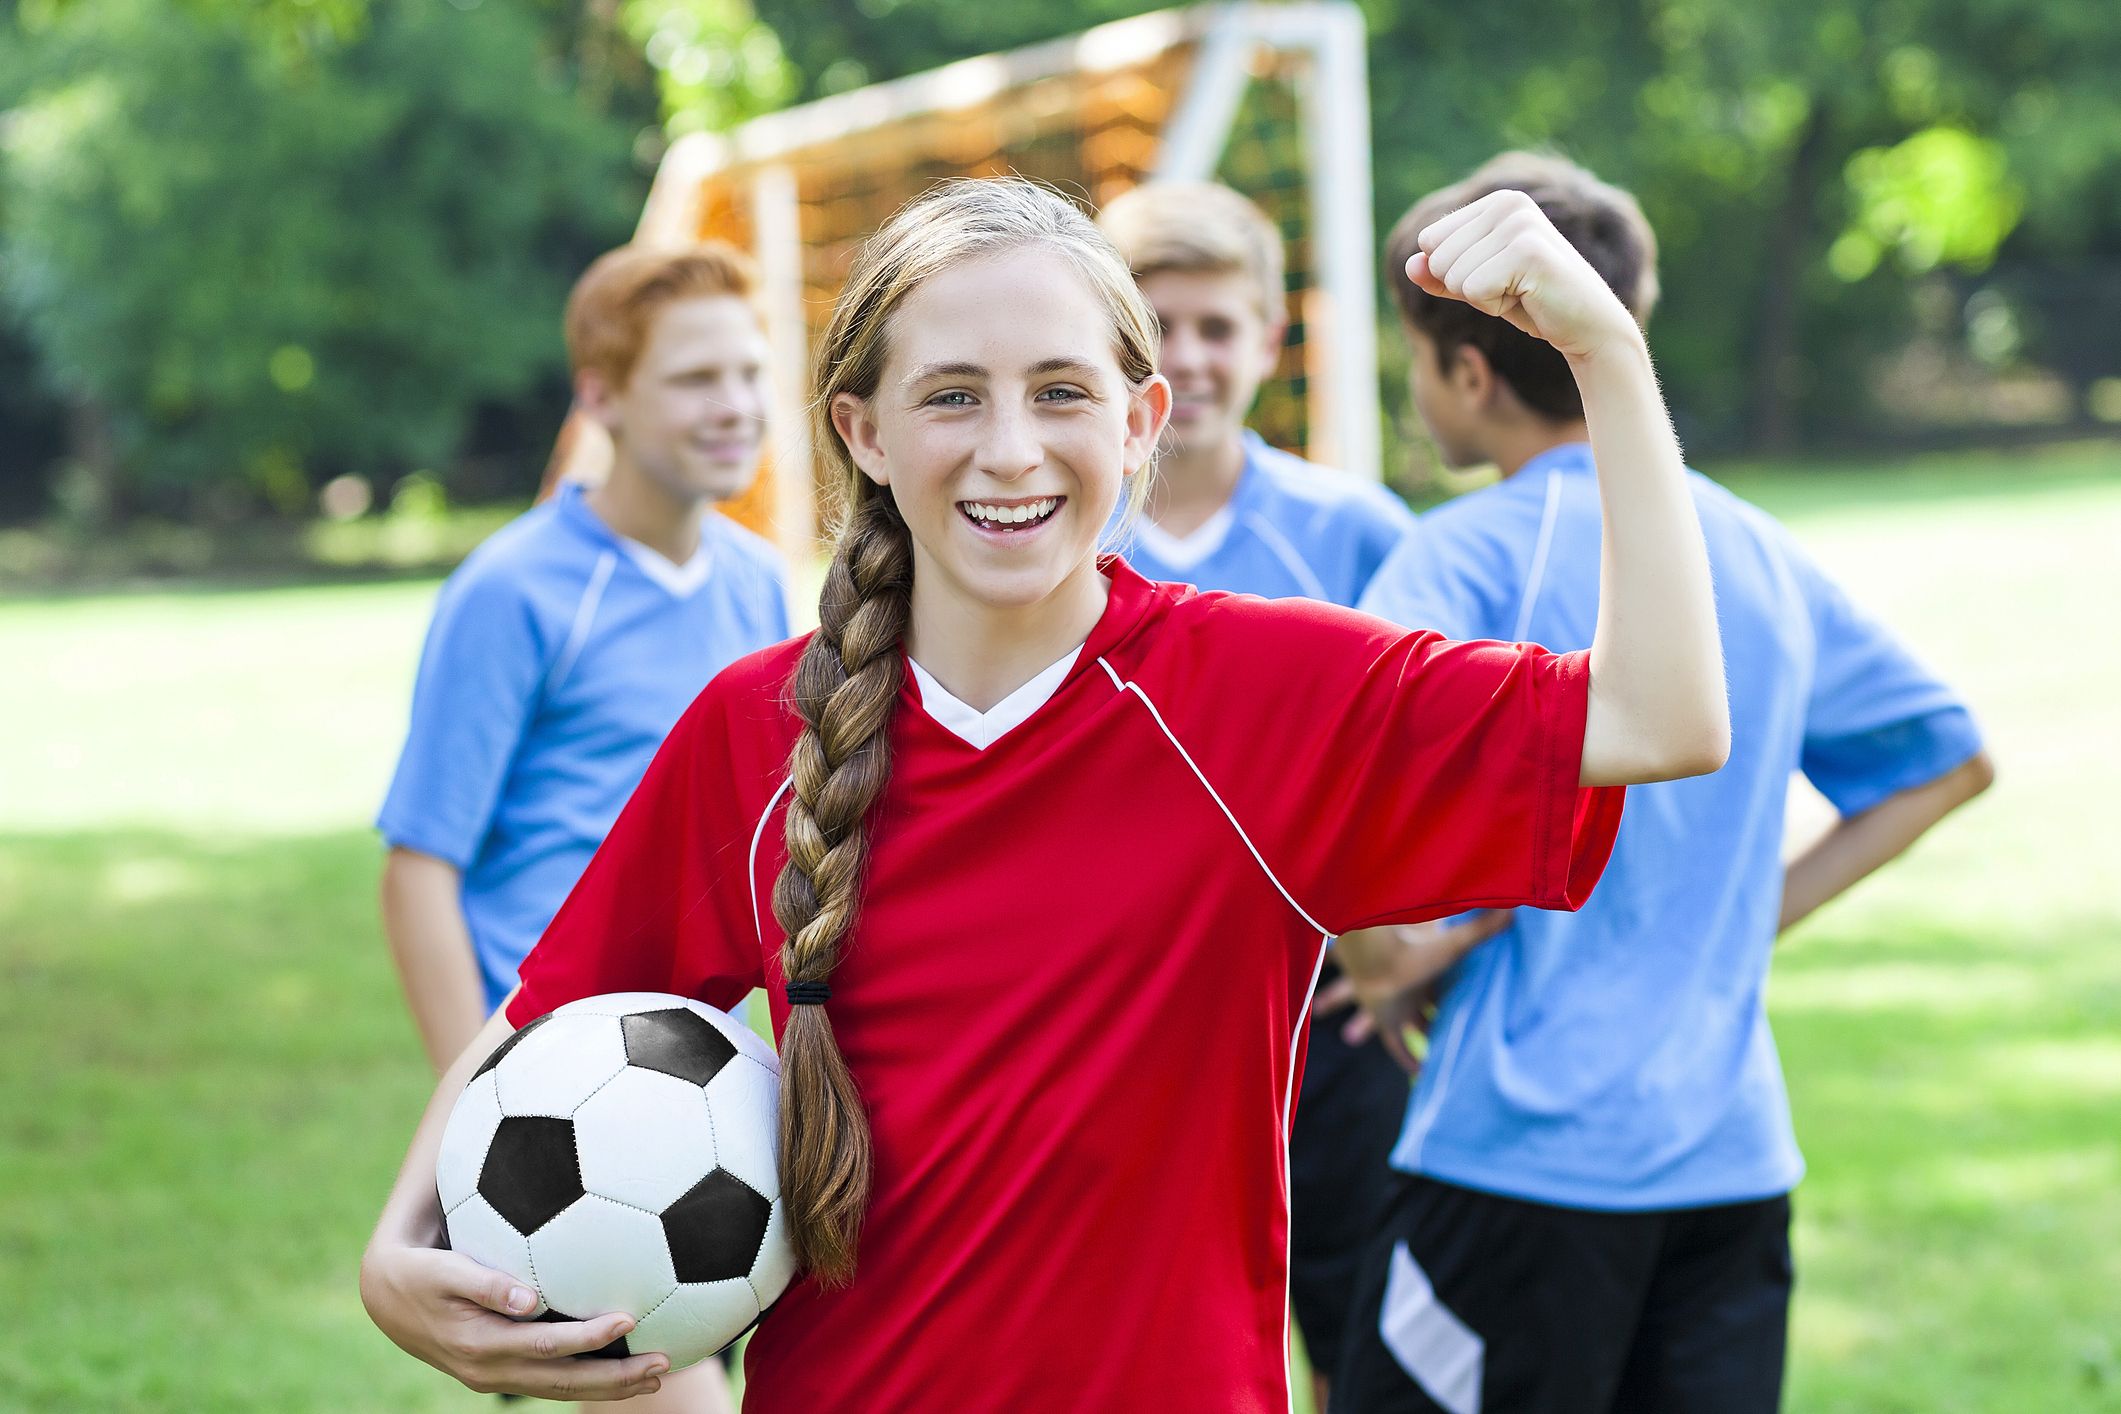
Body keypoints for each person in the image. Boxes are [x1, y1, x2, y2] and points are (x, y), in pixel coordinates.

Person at [358, 175, 1729, 1410]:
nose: (1010, 448)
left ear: (1140, 424)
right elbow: (537, 1025)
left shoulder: (1270, 697)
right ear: (865, 432)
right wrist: (394, 1253)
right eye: (952, 394)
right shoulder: (749, 733)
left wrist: (1605, 352)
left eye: (1061, 392)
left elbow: (1660, 715)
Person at [1328, 153, 1994, 1414]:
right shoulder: (1749, 546)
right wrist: (1744, 920)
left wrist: (1390, 960)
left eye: (1415, 357)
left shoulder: (1452, 559)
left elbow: (1356, 840)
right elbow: (1947, 761)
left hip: (1516, 1162)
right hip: (1732, 1161)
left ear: (1467, 369)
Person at [375, 241, 791, 1411]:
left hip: (718, 1096)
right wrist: (492, 1110)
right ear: (602, 396)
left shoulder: (759, 584)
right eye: (696, 379)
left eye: (750, 374)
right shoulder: (514, 592)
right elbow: (419, 868)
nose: (736, 406)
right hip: (570, 1125)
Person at [1096, 179, 1417, 1400]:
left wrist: (1402, 946)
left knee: (1358, 1343)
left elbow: (1428, 777)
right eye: (1157, 326)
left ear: (1272, 337)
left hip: (1321, 1021)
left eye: (1217, 326)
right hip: (1124, 1024)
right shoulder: (1044, 531)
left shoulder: (1354, 536)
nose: (1190, 355)